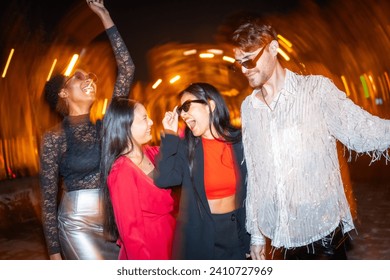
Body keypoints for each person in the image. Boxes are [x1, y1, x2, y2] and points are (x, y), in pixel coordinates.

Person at [230, 17, 390, 260]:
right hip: (280, 237)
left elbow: (362, 130)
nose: (244, 69)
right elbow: (256, 174)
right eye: (238, 63)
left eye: (249, 60)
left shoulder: (316, 91)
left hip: (323, 236)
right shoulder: (249, 108)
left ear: (273, 48)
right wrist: (256, 236)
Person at [39, 0, 134, 260]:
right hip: (76, 223)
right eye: (78, 78)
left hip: (113, 221)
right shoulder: (54, 138)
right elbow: (48, 198)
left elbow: (126, 69)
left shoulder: (106, 125)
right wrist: (54, 253)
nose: (88, 80)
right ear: (63, 92)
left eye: (89, 77)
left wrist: (105, 16)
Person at [154, 82, 250, 260]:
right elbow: (164, 179)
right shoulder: (187, 148)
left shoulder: (240, 141)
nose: (183, 114)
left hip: (236, 233)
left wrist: (253, 237)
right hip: (200, 236)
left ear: (210, 105)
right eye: (181, 110)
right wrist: (170, 135)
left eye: (186, 106)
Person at [100, 98, 176, 260]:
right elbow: (131, 233)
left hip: (169, 240)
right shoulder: (121, 172)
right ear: (126, 126)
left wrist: (170, 131)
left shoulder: (151, 153)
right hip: (148, 249)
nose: (151, 122)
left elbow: (175, 158)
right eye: (144, 118)